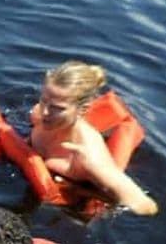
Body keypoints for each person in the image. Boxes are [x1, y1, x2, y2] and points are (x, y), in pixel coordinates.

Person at [30, 60, 157, 215]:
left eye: (58, 108)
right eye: (44, 100)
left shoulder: (89, 155)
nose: (45, 112)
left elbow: (147, 207)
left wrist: (91, 175)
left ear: (82, 109)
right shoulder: (39, 114)